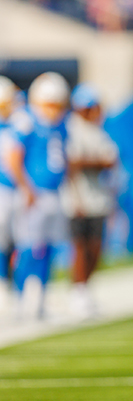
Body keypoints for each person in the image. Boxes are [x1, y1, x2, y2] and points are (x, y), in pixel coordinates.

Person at [8, 72, 70, 320]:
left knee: (50, 248)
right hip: (34, 194)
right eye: (50, 104)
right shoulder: (27, 120)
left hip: (54, 193)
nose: (54, 110)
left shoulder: (62, 124)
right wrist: (26, 189)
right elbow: (13, 158)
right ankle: (19, 299)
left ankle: (41, 298)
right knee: (28, 248)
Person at [61, 83, 118, 318]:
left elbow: (110, 160)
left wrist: (90, 161)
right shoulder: (71, 129)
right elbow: (71, 165)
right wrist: (76, 199)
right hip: (78, 199)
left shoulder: (98, 131)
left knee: (95, 247)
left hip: (98, 198)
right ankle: (78, 291)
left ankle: (84, 288)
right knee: (79, 247)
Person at [0, 76, 21, 309]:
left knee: (16, 240)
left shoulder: (18, 124)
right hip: (3, 189)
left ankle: (14, 283)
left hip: (14, 189)